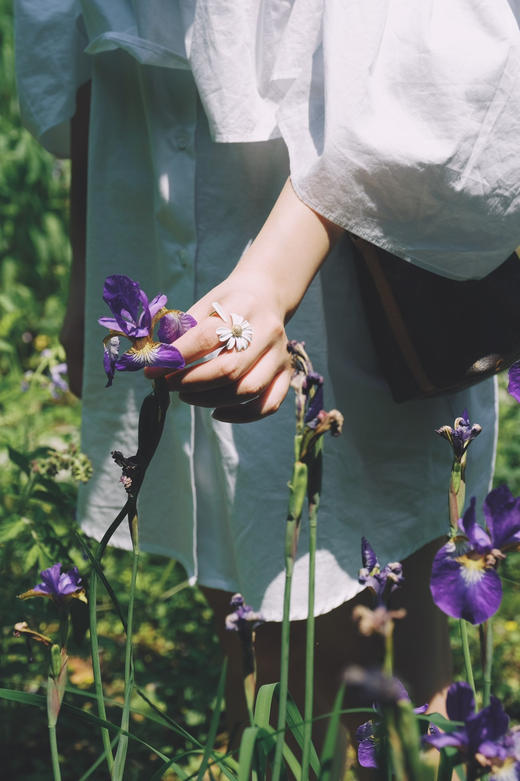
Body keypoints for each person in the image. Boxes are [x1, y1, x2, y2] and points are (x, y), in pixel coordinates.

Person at [14, 0, 520, 759]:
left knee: (371, 590)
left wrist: (269, 279)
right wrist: (89, 266)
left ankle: (413, 755)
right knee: (237, 547)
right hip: (147, 150)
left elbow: (435, 50)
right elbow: (90, 30)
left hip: (340, 183)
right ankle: (266, 747)